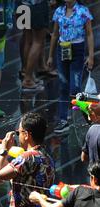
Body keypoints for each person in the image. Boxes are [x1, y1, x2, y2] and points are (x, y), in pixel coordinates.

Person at [48, 0, 94, 133]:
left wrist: (90, 56)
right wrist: (50, 55)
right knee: (63, 86)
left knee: (75, 88)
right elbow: (55, 34)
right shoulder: (59, 12)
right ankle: (63, 119)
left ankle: (89, 116)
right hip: (62, 49)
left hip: (77, 49)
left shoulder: (83, 11)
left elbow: (90, 33)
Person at [20, 0, 49, 92]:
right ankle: (28, 79)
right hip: (37, 5)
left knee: (28, 39)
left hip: (22, 5)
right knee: (38, 41)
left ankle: (27, 73)